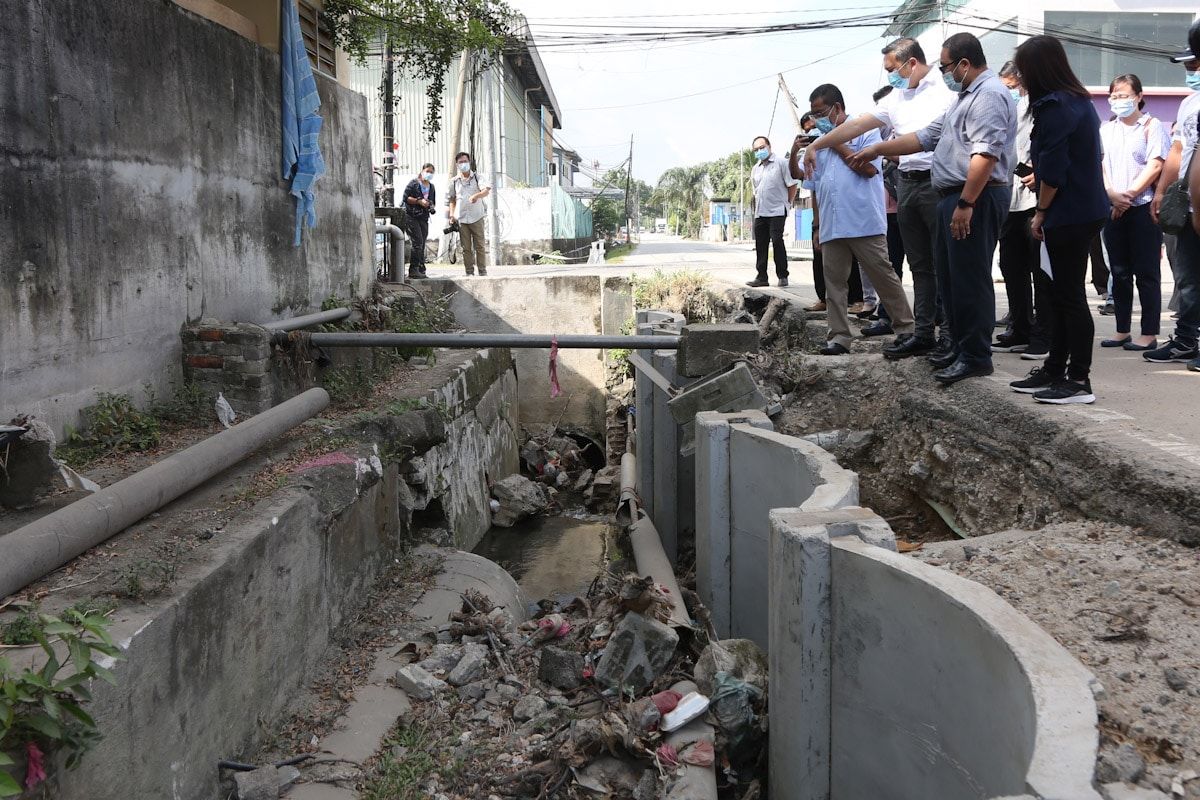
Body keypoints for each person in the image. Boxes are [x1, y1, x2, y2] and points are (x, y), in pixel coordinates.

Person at [848, 32, 1016, 383]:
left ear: (965, 64)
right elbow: (926, 136)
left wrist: (967, 202)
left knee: (970, 279)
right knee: (951, 280)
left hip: (976, 196)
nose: (944, 73)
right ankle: (958, 346)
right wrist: (877, 149)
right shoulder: (964, 97)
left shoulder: (988, 95)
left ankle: (975, 355)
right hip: (953, 195)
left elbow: (985, 155)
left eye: (947, 67)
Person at [806, 36, 956, 360]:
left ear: (911, 63)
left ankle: (949, 336)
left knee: (941, 265)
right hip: (907, 184)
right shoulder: (896, 98)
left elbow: (923, 139)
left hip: (936, 184)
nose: (890, 75)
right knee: (921, 267)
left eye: (891, 69)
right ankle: (919, 333)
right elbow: (860, 123)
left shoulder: (944, 93)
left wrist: (874, 149)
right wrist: (815, 144)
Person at [1005, 35, 1109, 404]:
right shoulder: (1077, 101)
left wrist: (1042, 212)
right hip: (1083, 209)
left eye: (1022, 70)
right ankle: (1054, 369)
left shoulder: (1053, 106)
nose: (1020, 77)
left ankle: (1078, 380)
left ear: (1037, 70)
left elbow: (1054, 172)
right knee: (1058, 293)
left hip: (1069, 214)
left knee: (1067, 297)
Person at [804, 83, 916, 356]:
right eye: (813, 114)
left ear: (837, 108)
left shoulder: (865, 130)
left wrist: (834, 141)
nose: (818, 119)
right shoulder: (817, 142)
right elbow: (814, 186)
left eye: (821, 113)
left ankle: (906, 329)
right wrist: (817, 225)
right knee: (835, 285)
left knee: (883, 276)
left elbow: (867, 169)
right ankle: (839, 337)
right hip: (832, 223)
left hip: (863, 220)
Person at [1099, 73, 1170, 351]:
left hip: (1143, 208)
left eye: (1125, 95)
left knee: (1147, 272)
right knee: (1119, 271)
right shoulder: (1107, 129)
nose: (1119, 101)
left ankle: (1149, 333)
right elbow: (1101, 166)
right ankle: (1121, 329)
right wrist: (1113, 196)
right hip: (1113, 207)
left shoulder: (1151, 126)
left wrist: (1126, 197)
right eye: (1114, 96)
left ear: (1139, 96)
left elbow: (1155, 165)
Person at [1146, 18, 1200, 370]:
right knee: (1188, 277)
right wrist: (1162, 191)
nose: (1192, 70)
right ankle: (1184, 340)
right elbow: (1179, 150)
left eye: (1194, 64)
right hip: (1189, 205)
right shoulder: (1189, 104)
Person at [992, 61, 1049, 359]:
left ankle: (1043, 333)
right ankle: (1020, 326)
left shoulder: (1040, 106)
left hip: (1035, 199)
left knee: (1039, 270)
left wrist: (1040, 172)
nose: (1008, 92)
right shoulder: (1001, 109)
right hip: (1008, 197)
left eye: (1012, 87)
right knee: (1011, 267)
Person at [789, 115, 865, 309]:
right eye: (807, 131)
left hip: (849, 212)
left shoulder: (847, 141)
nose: (812, 134)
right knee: (822, 260)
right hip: (825, 215)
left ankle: (858, 299)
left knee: (854, 258)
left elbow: (866, 169)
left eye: (814, 128)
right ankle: (825, 300)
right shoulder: (814, 155)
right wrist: (795, 150)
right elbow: (803, 180)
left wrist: (831, 141)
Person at [747, 135, 798, 287]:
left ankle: (782, 275)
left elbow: (792, 185)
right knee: (761, 244)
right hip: (761, 211)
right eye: (756, 150)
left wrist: (787, 203)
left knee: (777, 241)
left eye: (762, 148)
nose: (759, 151)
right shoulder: (755, 169)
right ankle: (762, 277)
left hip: (777, 210)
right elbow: (756, 190)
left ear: (769, 146)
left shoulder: (781, 163)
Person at [448, 151, 491, 277]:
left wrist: (476, 196)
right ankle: (469, 272)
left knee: (480, 246)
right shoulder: (454, 181)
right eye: (460, 162)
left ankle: (482, 271)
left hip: (477, 216)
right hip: (461, 218)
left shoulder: (478, 177)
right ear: (457, 164)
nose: (463, 164)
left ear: (469, 162)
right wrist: (452, 215)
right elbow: (452, 199)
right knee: (466, 248)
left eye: (465, 161)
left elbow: (486, 191)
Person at [401, 162, 436, 279]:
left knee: (422, 243)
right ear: (422, 171)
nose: (429, 174)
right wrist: (419, 201)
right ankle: (413, 269)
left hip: (424, 217)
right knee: (417, 242)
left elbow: (433, 201)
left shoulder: (431, 187)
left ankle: (421, 268)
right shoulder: (414, 183)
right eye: (427, 171)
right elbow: (405, 198)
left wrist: (430, 205)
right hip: (411, 216)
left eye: (431, 172)